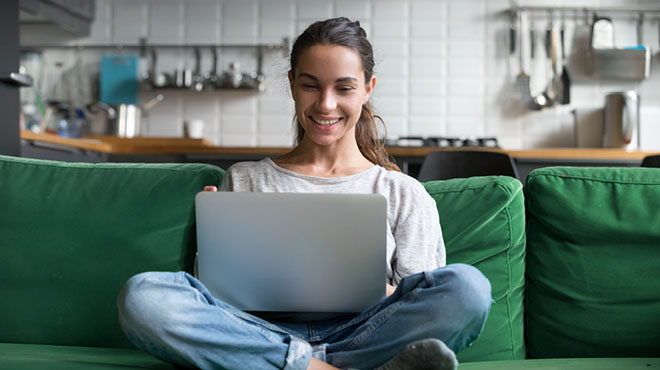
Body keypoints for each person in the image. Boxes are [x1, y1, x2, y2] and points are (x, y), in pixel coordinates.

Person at [117, 17, 491, 370]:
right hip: (258, 333)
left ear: (367, 89)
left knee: (468, 288)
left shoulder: (402, 192)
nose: (326, 104)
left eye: (343, 88)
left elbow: (421, 301)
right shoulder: (245, 179)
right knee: (144, 297)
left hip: (364, 335)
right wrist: (212, 242)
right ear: (293, 84)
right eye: (311, 85)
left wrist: (364, 286)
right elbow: (217, 302)